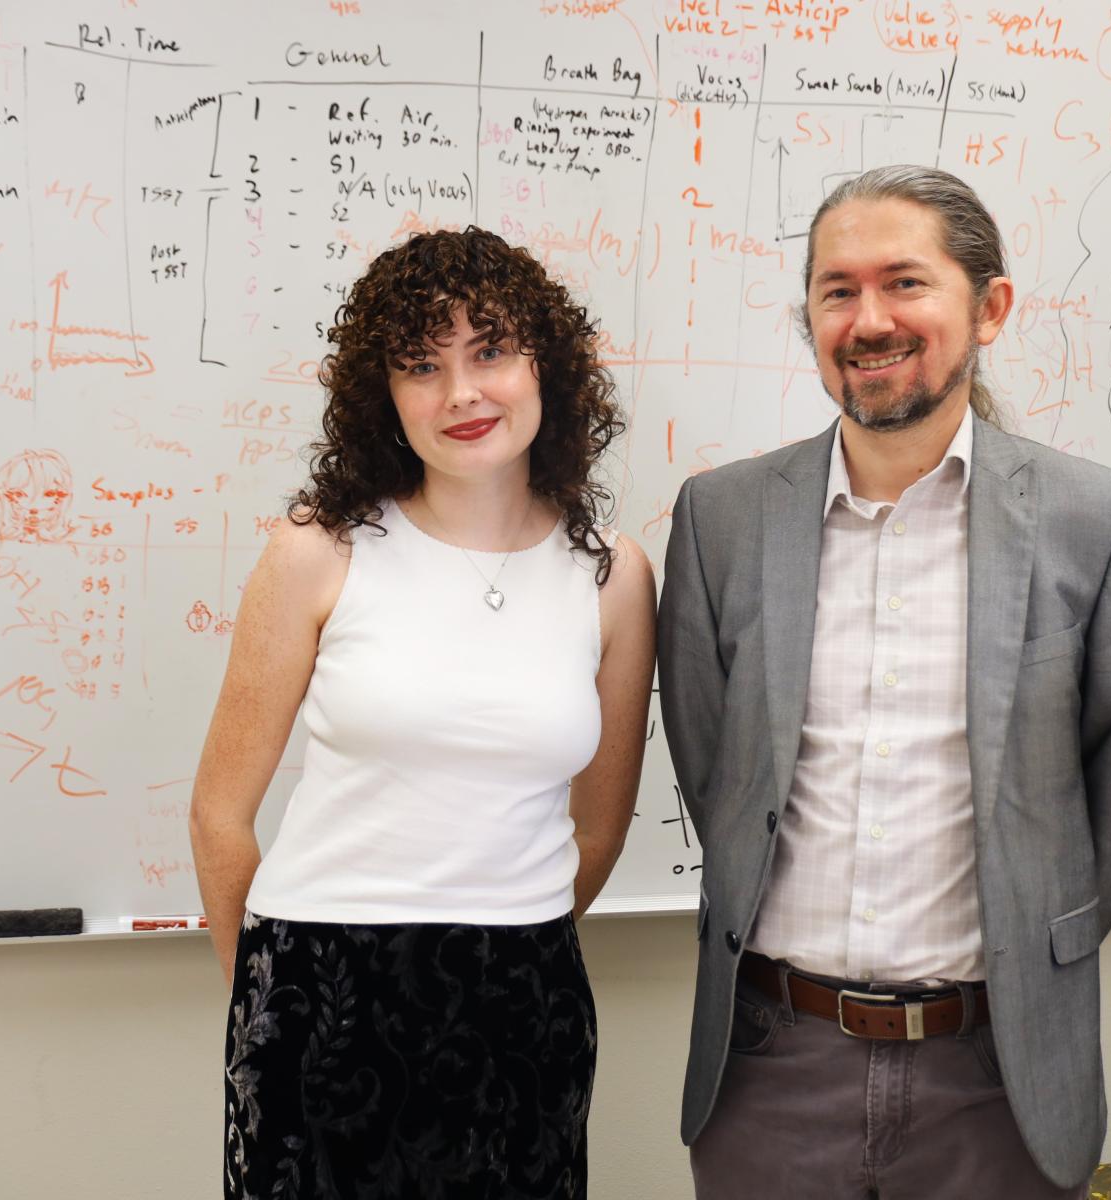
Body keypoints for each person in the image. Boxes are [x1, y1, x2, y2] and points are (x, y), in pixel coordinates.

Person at [657, 165, 1111, 1198]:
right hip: (770, 1069)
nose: (868, 320)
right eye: (837, 290)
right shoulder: (720, 520)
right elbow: (713, 763)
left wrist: (1038, 940)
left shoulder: (1094, 519)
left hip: (997, 1071)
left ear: (989, 307)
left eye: (905, 283)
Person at [190, 226, 655, 1199]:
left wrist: (497, 930)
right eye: (420, 366)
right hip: (321, 987)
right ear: (382, 394)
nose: (461, 394)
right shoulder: (320, 551)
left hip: (524, 991)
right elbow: (220, 816)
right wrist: (266, 997)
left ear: (546, 366)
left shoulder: (612, 575)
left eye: (490, 350)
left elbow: (600, 825)